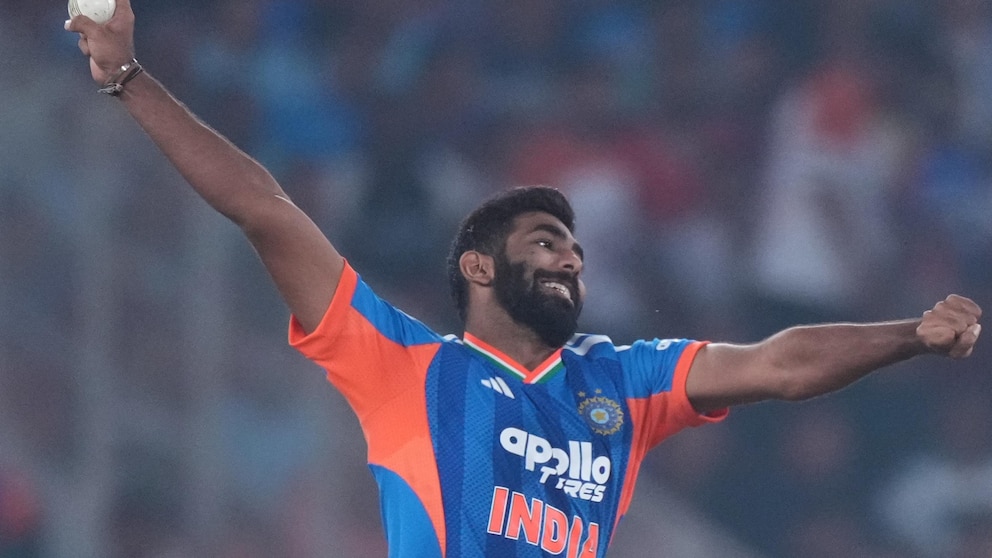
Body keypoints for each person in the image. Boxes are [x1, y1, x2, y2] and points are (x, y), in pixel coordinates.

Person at [66, 3, 983, 557]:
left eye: (575, 248)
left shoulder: (620, 383)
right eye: (546, 241)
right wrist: (128, 79)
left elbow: (780, 363)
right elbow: (265, 209)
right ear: (478, 265)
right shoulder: (407, 367)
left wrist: (909, 335)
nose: (571, 258)